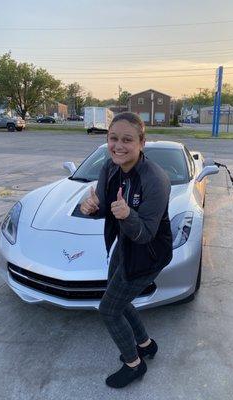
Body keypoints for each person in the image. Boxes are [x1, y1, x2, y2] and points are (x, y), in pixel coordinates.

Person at [80, 112, 172, 389]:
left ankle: (134, 364)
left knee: (109, 309)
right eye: (113, 138)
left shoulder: (156, 179)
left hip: (150, 253)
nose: (118, 146)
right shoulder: (109, 167)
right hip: (124, 244)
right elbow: (105, 206)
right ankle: (145, 344)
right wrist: (91, 208)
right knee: (118, 298)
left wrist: (127, 214)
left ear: (142, 143)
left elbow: (144, 235)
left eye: (127, 140)